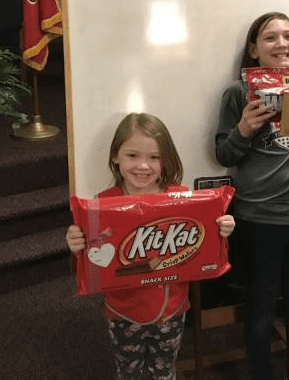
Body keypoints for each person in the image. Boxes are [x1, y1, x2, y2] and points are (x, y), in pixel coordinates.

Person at [66, 112, 235, 380]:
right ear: (116, 156)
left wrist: (221, 229)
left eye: (154, 157)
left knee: (165, 371)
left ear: (165, 160)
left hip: (172, 312)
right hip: (123, 314)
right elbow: (91, 263)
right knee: (128, 373)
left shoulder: (181, 197)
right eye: (132, 155)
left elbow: (202, 244)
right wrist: (77, 245)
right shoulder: (102, 205)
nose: (143, 166)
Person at [215, 12, 289, 380]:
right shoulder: (237, 93)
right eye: (270, 37)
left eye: (288, 36)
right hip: (256, 221)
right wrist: (244, 128)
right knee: (260, 311)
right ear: (253, 49)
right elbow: (224, 155)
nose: (282, 44)